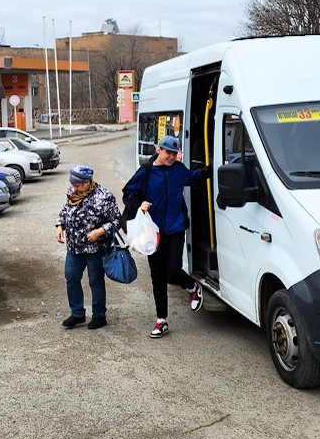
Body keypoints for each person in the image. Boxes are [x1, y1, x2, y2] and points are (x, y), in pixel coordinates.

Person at [121, 136, 211, 338]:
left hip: (175, 228)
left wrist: (217, 168)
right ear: (159, 150)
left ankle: (192, 286)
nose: (171, 157)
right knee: (157, 276)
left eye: (175, 153)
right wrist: (139, 204)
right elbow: (128, 193)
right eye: (168, 152)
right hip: (153, 233)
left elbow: (195, 176)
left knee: (172, 270)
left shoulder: (179, 170)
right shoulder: (146, 171)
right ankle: (162, 320)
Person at [55, 165, 121, 330]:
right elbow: (65, 210)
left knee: (96, 282)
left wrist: (99, 232)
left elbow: (116, 221)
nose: (74, 188)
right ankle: (77, 314)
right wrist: (59, 226)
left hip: (95, 250)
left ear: (87, 182)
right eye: (73, 185)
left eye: (78, 185)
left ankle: (99, 316)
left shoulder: (104, 197)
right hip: (74, 248)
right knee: (71, 278)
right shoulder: (74, 192)